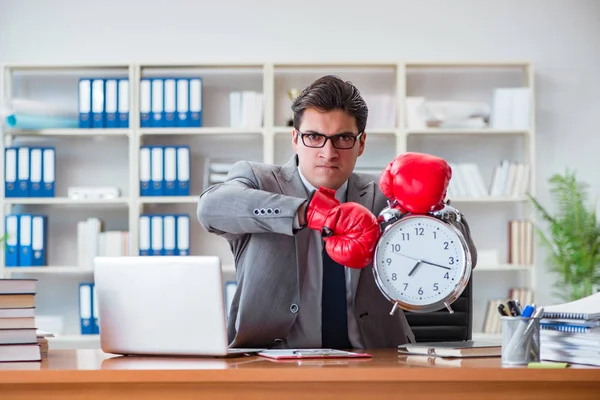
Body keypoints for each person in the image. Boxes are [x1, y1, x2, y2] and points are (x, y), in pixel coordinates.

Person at [197, 75, 477, 349]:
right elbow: (211, 208)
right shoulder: (259, 181)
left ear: (361, 143)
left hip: (376, 360)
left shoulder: (385, 194)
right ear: (295, 139)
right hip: (273, 364)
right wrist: (307, 212)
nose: (328, 152)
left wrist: (437, 208)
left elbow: (465, 260)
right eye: (314, 136)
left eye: (343, 138)